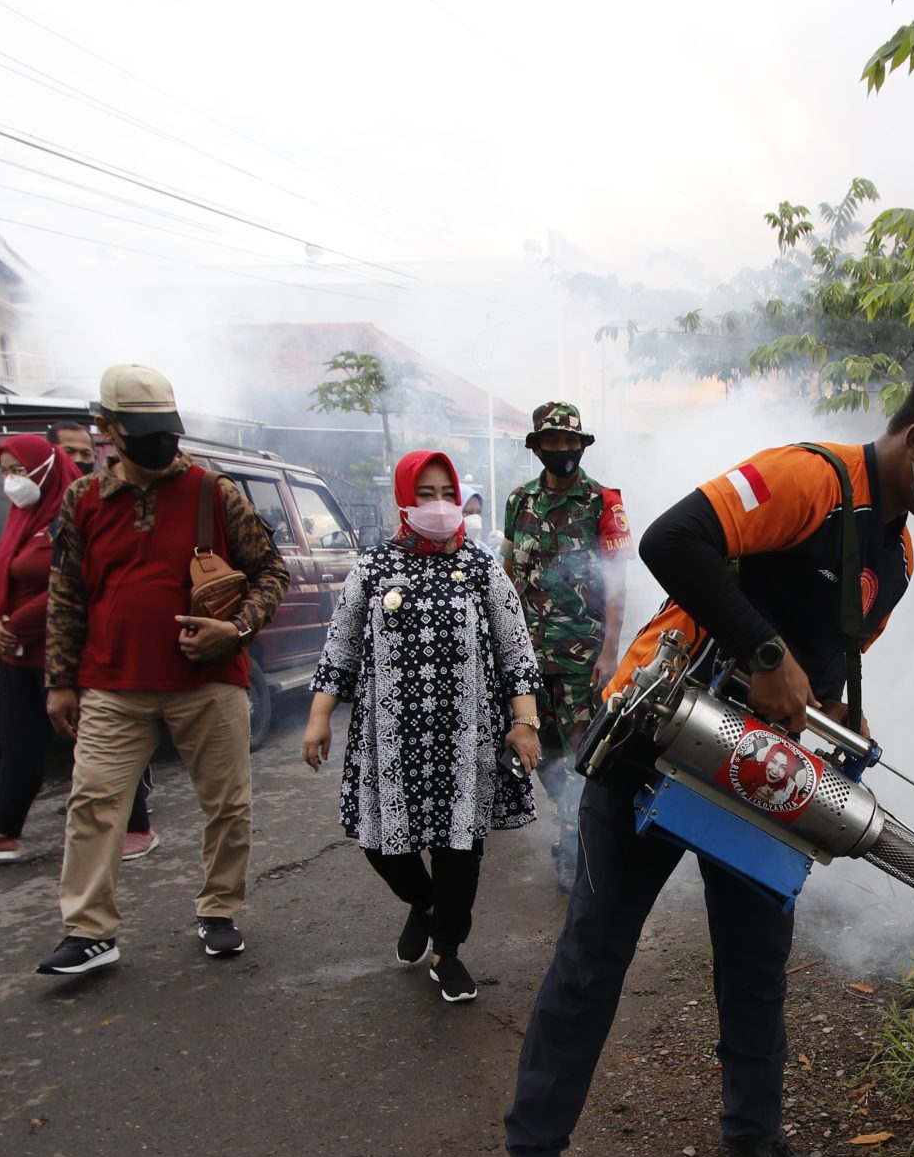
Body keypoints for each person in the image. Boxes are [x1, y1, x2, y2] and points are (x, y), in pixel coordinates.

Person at [494, 351, 914, 1157]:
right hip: (656, 741)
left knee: (756, 960)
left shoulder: (893, 558)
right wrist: (766, 654)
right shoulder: (807, 479)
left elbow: (821, 661)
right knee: (593, 958)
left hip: (753, 771)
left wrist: (832, 699)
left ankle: (752, 1133)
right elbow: (672, 542)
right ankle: (534, 1154)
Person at [36, 364, 288, 975]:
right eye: (143, 429)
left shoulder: (213, 491)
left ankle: (219, 910)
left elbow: (272, 573)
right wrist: (60, 680)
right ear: (108, 428)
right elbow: (66, 592)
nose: (160, 442)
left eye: (166, 429)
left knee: (228, 804)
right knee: (94, 802)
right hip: (111, 685)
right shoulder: (83, 499)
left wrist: (238, 629)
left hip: (207, 684)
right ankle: (90, 930)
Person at [302, 450, 542, 1004]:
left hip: (465, 737)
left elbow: (515, 650)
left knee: (461, 846)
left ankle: (447, 952)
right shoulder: (373, 566)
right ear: (403, 500)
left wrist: (524, 722)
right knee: (383, 843)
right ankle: (426, 905)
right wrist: (319, 716)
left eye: (446, 494)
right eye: (425, 495)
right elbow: (339, 647)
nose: (438, 506)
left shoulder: (482, 568)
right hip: (389, 737)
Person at [0, 434, 156, 864]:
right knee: (18, 741)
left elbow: (77, 581)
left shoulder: (77, 512)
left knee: (96, 742)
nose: (11, 480)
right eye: (5, 471)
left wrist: (15, 623)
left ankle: (136, 825)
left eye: (18, 469)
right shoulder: (19, 517)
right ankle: (1, 830)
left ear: (45, 468)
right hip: (18, 655)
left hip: (71, 650)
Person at [499, 401, 630, 889]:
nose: (562, 450)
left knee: (584, 750)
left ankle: (576, 839)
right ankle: (568, 820)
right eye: (552, 442)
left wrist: (610, 650)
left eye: (570, 441)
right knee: (543, 750)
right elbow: (509, 576)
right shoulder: (518, 502)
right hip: (530, 655)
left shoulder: (603, 502)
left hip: (583, 655)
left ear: (581, 444)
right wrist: (504, 648)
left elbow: (617, 582)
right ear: (537, 448)